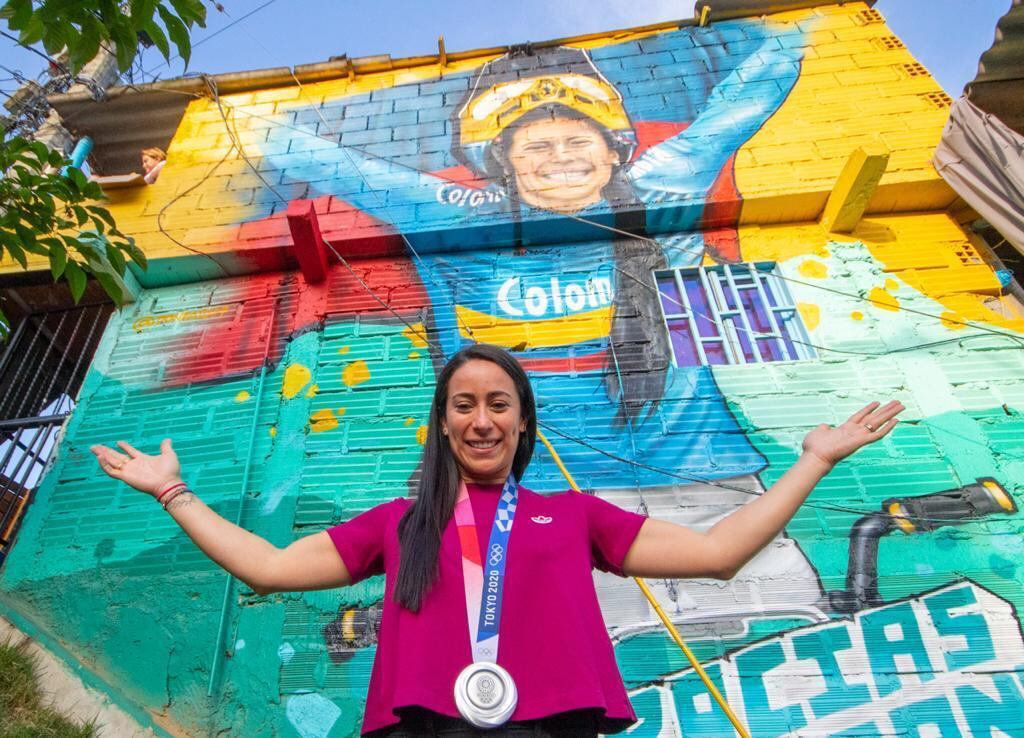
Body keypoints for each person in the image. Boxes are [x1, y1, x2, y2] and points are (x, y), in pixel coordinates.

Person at [90, 343, 903, 736]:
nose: (481, 419)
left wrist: (814, 461)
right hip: (425, 727)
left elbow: (720, 553)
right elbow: (267, 567)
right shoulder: (397, 523)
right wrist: (172, 492)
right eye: (464, 405)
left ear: (521, 422)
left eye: (499, 404)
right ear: (444, 426)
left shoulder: (575, 516)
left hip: (553, 725)